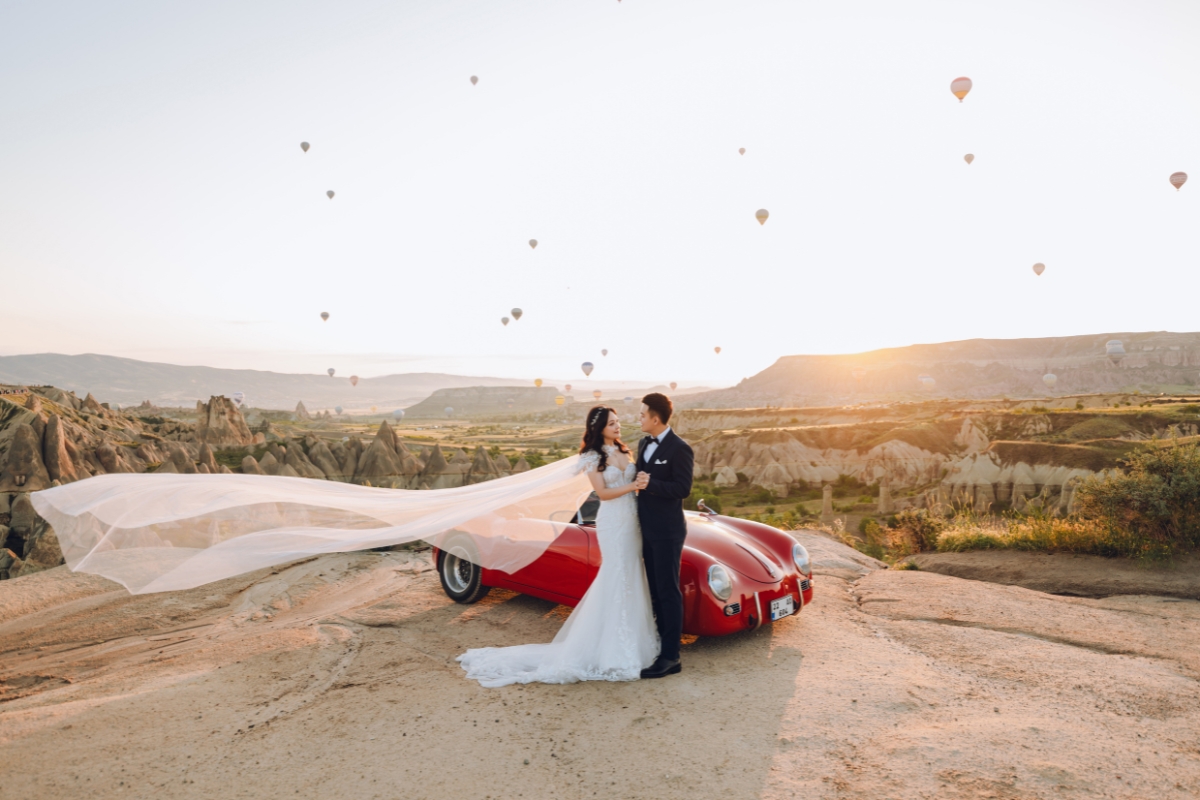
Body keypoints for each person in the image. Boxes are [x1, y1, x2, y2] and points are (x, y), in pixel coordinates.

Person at [456, 406, 659, 687]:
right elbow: (602, 493)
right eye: (612, 423)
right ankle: (610, 651)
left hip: (632, 522)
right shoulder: (591, 456)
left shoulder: (625, 451)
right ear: (599, 427)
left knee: (632, 573)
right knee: (616, 575)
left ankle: (631, 643)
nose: (618, 426)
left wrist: (642, 485)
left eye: (618, 422)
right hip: (613, 522)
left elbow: (634, 484)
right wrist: (634, 485)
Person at [635, 392, 694, 679]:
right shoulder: (643, 443)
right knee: (655, 590)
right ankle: (660, 644)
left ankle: (671, 656)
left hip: (668, 532)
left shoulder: (680, 448)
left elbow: (683, 489)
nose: (639, 418)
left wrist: (652, 483)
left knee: (668, 591)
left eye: (643, 414)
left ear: (655, 419)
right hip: (645, 529)